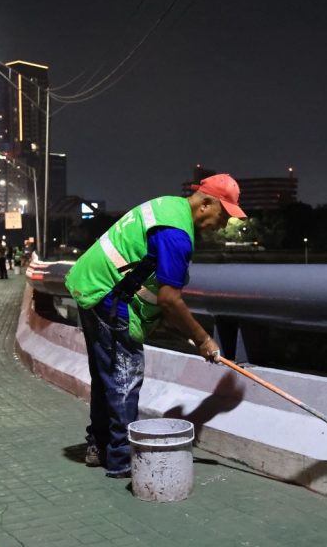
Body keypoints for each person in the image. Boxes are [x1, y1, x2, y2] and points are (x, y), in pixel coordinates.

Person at [64, 174, 244, 478]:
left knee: (106, 376)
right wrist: (203, 339)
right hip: (108, 297)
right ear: (205, 204)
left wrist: (177, 328)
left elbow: (150, 282)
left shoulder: (168, 206)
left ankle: (100, 445)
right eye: (224, 214)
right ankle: (121, 462)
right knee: (125, 378)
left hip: (91, 285)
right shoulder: (177, 235)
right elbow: (169, 299)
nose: (224, 223)